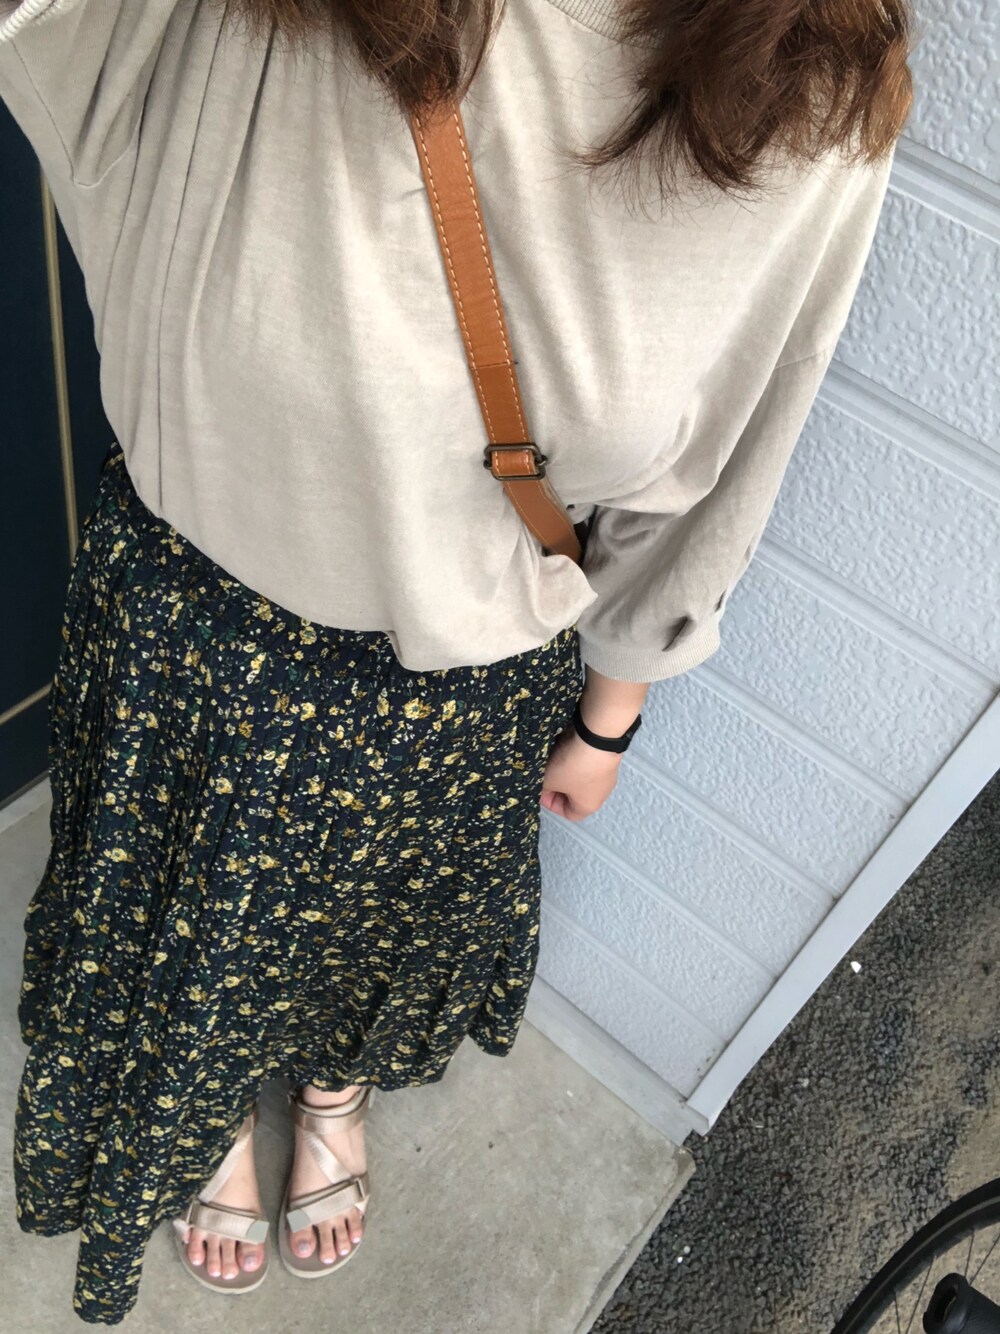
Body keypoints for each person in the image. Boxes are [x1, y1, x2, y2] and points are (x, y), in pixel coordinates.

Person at [0, 0, 913, 1323]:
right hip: (192, 620)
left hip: (464, 667)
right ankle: (209, 1103)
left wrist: (610, 709)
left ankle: (333, 1085)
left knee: (381, 926)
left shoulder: (813, 74)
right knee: (189, 919)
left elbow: (734, 441)